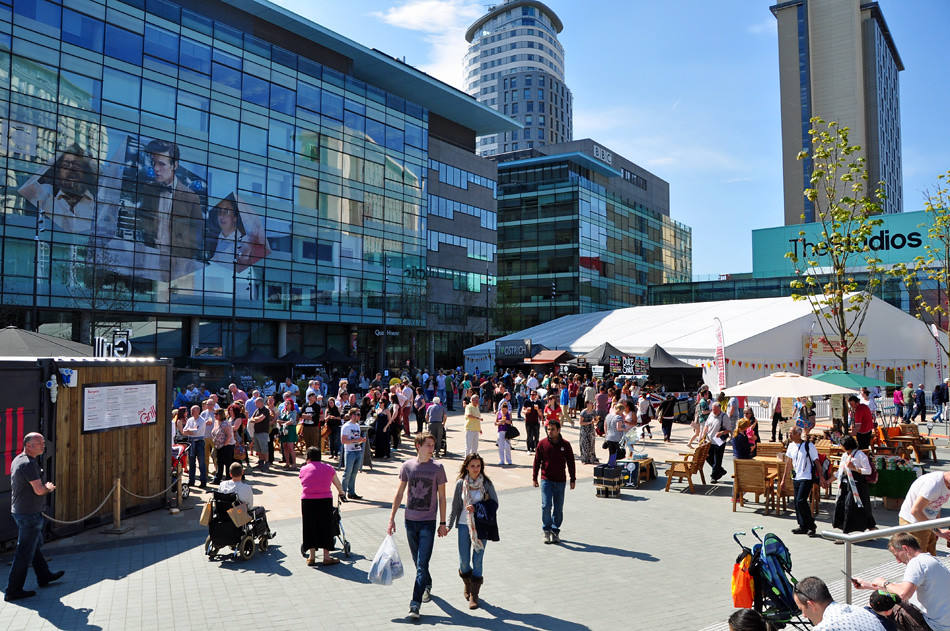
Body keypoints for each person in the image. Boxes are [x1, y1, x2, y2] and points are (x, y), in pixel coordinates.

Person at [387, 433, 448, 620]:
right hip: (409, 521)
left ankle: (415, 604)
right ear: (418, 446)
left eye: (433, 445)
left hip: (428, 523)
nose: (432, 449)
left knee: (422, 563)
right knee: (417, 560)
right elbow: (399, 494)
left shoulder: (438, 468)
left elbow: (442, 497)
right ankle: (427, 583)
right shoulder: (407, 466)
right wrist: (391, 518)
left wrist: (443, 523)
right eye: (428, 445)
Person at [4, 433, 64, 602]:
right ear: (28, 445)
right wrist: (49, 487)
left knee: (33, 547)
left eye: (43, 442)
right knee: (24, 553)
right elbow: (39, 490)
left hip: (22, 512)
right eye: (39, 443)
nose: (43, 445)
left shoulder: (19, 459)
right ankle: (13, 590)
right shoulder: (28, 464)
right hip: (28, 515)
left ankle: (44, 575)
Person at [854, 533, 950, 631]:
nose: (898, 561)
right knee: (889, 598)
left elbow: (904, 594)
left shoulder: (916, 562)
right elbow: (902, 589)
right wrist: (868, 585)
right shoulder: (930, 560)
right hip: (943, 624)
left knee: (880, 602)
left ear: (905, 549)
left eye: (896, 555)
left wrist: (884, 583)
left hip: (932, 626)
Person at [137, 139, 203, 280]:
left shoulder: (192, 199)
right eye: (154, 162)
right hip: (151, 257)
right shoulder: (148, 190)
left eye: (161, 164)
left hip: (178, 264)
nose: (156, 168)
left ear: (174, 166)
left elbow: (197, 238)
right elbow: (142, 222)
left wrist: (184, 264)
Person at [447, 453, 499, 610]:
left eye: (478, 466)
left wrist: (476, 508)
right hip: (464, 525)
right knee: (464, 561)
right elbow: (455, 506)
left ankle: (474, 595)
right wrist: (447, 525)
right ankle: (467, 583)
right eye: (472, 466)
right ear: (466, 467)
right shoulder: (460, 483)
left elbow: (495, 503)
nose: (476, 469)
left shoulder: (486, 483)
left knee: (477, 559)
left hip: (481, 526)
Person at [299, 447, 346, 566]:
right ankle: (326, 556)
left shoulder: (303, 469)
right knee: (325, 526)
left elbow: (304, 481)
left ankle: (311, 557)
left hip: (308, 501)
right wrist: (341, 493)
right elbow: (337, 483)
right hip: (325, 500)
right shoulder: (328, 468)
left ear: (308, 458)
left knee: (310, 526)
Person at [532, 421, 576, 545]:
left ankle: (555, 531)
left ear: (558, 430)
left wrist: (573, 479)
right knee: (546, 505)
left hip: (560, 481)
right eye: (548, 429)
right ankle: (546, 530)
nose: (549, 431)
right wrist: (534, 477)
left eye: (552, 429)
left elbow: (571, 462)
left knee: (558, 508)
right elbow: (537, 462)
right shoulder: (542, 444)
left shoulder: (566, 445)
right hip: (546, 480)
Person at [793, 576, 886, 630]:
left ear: (810, 604)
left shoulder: (825, 628)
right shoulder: (859, 610)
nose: (804, 615)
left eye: (802, 609)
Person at [782, 426, 827, 537]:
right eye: (789, 433)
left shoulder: (809, 446)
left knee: (800, 501)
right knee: (797, 503)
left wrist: (821, 477)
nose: (790, 435)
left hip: (806, 477)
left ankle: (811, 525)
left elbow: (816, 462)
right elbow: (788, 463)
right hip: (796, 477)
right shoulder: (791, 446)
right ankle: (802, 526)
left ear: (798, 434)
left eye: (791, 433)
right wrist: (783, 479)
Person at [831, 435, 876, 534]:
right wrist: (828, 481)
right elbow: (840, 471)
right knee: (844, 506)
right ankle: (845, 529)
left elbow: (868, 470)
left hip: (857, 486)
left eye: (842, 445)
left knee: (853, 507)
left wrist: (854, 468)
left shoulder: (860, 455)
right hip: (846, 485)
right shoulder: (844, 456)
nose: (841, 447)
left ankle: (851, 532)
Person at [897, 471, 950, 555]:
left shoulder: (946, 484)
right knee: (919, 561)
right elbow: (916, 511)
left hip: (928, 524)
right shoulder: (933, 485)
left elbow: (937, 504)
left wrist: (937, 527)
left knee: (931, 561)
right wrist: (937, 530)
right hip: (915, 524)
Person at [340, 409, 365, 500]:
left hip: (358, 450)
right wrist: (356, 440)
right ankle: (342, 493)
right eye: (358, 414)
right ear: (353, 415)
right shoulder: (346, 426)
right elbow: (343, 441)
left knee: (354, 473)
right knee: (347, 473)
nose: (359, 416)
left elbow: (356, 438)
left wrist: (361, 440)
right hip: (350, 451)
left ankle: (351, 492)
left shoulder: (357, 426)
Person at [182, 405, 209, 486]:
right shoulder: (190, 420)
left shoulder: (202, 420)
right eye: (191, 410)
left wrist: (190, 430)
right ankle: (191, 480)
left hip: (199, 442)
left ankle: (203, 481)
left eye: (193, 410)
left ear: (198, 411)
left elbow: (196, 432)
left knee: (201, 463)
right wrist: (192, 430)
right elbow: (184, 431)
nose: (191, 412)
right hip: (191, 442)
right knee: (191, 462)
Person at [704, 401, 731, 482]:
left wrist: (722, 432)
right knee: (707, 457)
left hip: (719, 441)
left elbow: (729, 430)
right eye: (713, 410)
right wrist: (703, 434)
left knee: (717, 460)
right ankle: (720, 470)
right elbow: (706, 425)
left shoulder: (724, 417)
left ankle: (714, 477)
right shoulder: (711, 414)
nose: (714, 412)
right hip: (709, 440)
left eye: (716, 410)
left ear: (720, 409)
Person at [210, 408, 235, 485]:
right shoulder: (216, 422)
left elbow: (229, 436)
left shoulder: (225, 424)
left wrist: (224, 445)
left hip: (227, 446)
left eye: (217, 414)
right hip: (218, 446)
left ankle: (228, 479)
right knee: (219, 463)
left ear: (221, 414)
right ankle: (217, 479)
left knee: (228, 463)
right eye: (214, 414)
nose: (215, 415)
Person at [249, 397, 271, 470]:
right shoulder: (256, 411)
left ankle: (266, 463)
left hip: (263, 433)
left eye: (256, 403)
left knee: (264, 449)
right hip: (256, 432)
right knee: (258, 449)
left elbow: (260, 419)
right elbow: (251, 419)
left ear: (260, 402)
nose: (255, 404)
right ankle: (260, 462)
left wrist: (256, 419)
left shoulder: (266, 410)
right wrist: (256, 420)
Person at [578, 398, 599, 463]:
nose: (592, 404)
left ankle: (591, 458)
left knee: (591, 444)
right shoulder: (583, 412)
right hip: (584, 430)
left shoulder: (594, 411)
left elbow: (596, 420)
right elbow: (581, 422)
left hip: (591, 430)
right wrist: (590, 422)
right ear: (587, 404)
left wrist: (596, 421)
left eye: (592, 404)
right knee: (585, 444)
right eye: (590, 403)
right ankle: (585, 459)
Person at [495, 401, 513, 466]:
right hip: (500, 430)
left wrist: (506, 421)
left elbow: (511, 422)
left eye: (505, 410)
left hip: (507, 431)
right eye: (503, 410)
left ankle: (509, 460)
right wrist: (500, 422)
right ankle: (502, 460)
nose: (504, 411)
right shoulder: (498, 413)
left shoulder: (509, 413)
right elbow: (495, 423)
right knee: (501, 446)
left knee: (507, 446)